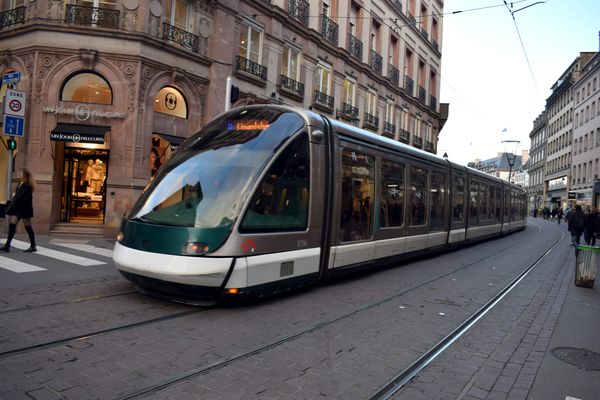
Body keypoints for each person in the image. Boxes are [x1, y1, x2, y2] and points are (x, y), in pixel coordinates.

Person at [1, 169, 37, 252]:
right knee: (12, 225)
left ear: (25, 175)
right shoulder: (20, 183)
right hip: (18, 209)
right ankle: (7, 245)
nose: (18, 174)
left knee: (28, 227)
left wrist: (12, 201)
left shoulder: (27, 185)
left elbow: (20, 197)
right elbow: (17, 196)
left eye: (21, 173)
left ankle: (33, 245)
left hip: (24, 209)